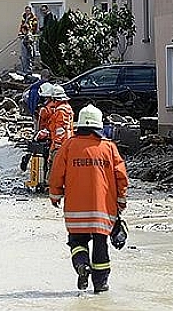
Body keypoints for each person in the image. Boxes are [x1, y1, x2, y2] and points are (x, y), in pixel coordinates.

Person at [48, 104, 128, 292]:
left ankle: (82, 265)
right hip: (103, 209)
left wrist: (55, 194)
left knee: (77, 242)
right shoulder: (109, 147)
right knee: (101, 245)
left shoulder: (68, 145)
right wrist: (121, 199)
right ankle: (101, 285)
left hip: (76, 209)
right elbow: (121, 176)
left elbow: (56, 172)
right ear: (98, 126)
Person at [36, 85, 74, 166]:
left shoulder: (61, 112)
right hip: (67, 143)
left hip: (60, 145)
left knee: (53, 169)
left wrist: (54, 149)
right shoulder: (67, 109)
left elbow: (60, 131)